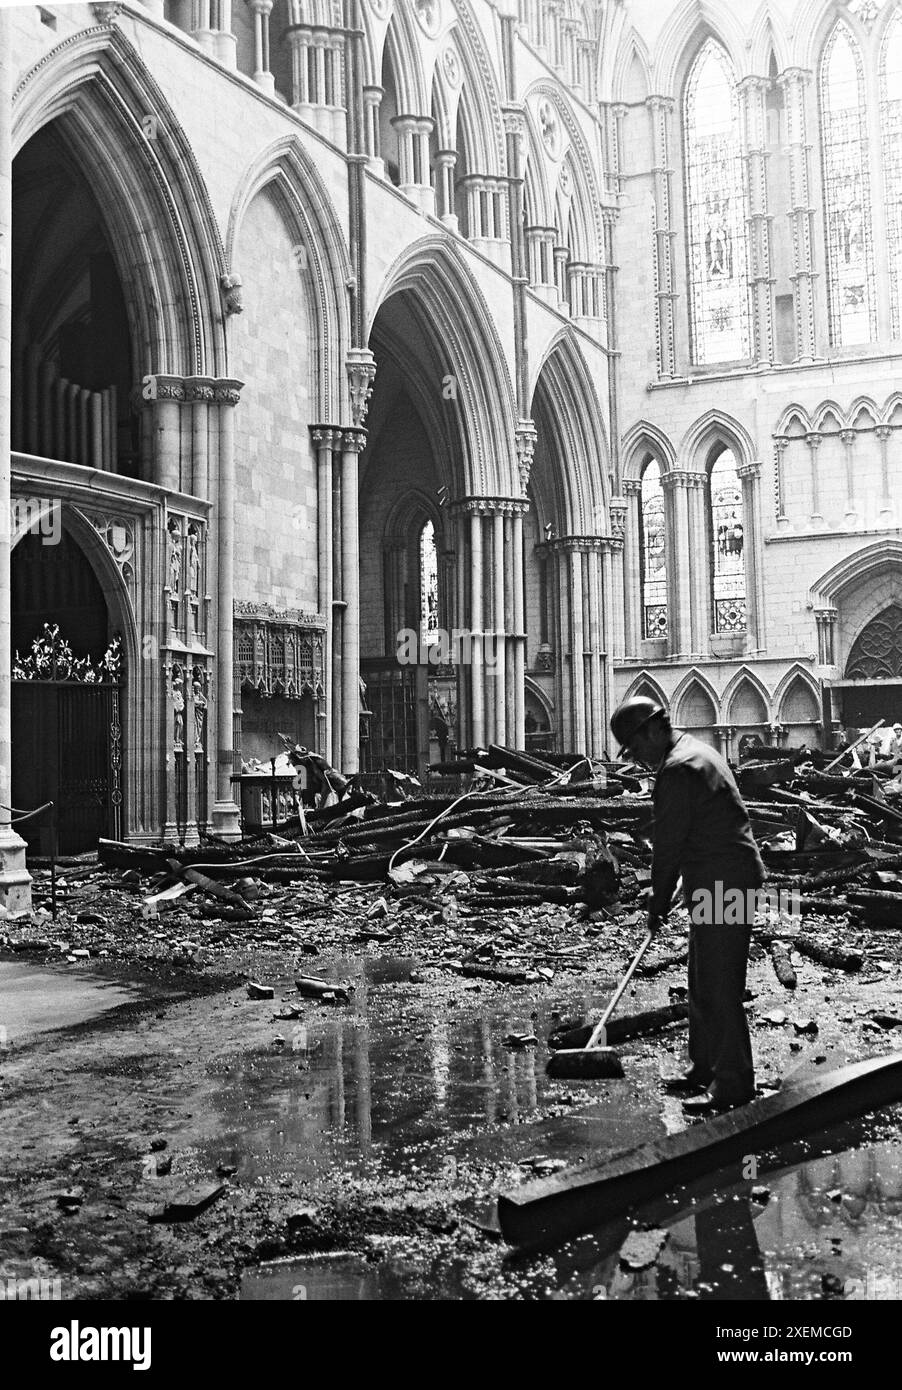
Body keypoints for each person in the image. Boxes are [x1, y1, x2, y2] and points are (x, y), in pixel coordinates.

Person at [610, 697, 766, 1114]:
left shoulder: (678, 769)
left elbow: (669, 846)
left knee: (719, 984)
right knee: (702, 977)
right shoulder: (695, 751)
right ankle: (704, 1068)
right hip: (719, 877)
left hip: (724, 883)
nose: (638, 760)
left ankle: (733, 1083)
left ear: (652, 730)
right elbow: (704, 828)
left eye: (635, 748)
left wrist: (657, 900)